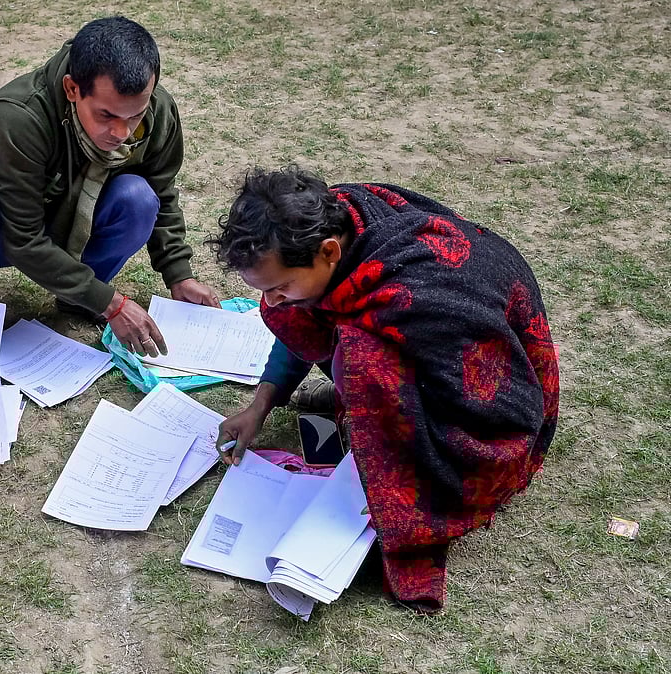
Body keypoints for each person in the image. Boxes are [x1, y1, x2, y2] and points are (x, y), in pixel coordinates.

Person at [210, 166, 559, 612]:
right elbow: (300, 322)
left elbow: (489, 402)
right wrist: (260, 404)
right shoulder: (336, 220)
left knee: (361, 358)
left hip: (491, 411)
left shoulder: (421, 291)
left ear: (329, 253)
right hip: (426, 354)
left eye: (279, 287)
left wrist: (394, 469)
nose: (271, 301)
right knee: (339, 339)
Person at [0, 16, 220, 357]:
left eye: (134, 116)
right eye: (106, 116)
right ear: (72, 89)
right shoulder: (18, 116)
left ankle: (79, 299)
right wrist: (111, 302)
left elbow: (162, 192)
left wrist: (178, 275)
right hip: (7, 232)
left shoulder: (158, 110)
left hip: (81, 228)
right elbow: (22, 237)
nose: (122, 132)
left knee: (140, 197)